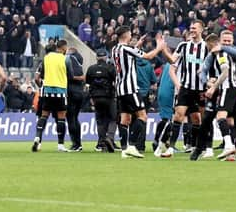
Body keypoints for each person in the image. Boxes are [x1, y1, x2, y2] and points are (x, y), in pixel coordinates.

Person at [112, 26, 165, 159]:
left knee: (125, 119)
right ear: (126, 35)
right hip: (130, 89)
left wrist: (137, 45)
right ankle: (132, 146)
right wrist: (159, 46)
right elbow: (148, 56)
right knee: (142, 116)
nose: (131, 36)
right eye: (130, 34)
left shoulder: (115, 49)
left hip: (120, 89)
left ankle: (124, 149)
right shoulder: (127, 49)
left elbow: (128, 53)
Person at [161, 21, 208, 158]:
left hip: (201, 89)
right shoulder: (183, 46)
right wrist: (178, 84)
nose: (192, 30)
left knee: (198, 119)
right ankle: (171, 148)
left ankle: (196, 146)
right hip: (186, 88)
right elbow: (172, 63)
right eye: (191, 27)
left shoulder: (206, 47)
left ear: (201, 30)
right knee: (178, 115)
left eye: (194, 28)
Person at [203, 33, 236, 161]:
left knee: (220, 117)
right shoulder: (223, 54)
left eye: (208, 46)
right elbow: (203, 70)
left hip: (228, 88)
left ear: (211, 45)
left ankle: (229, 146)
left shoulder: (221, 54)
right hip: (235, 89)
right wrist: (208, 81)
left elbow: (225, 72)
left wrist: (213, 87)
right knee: (231, 121)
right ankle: (231, 154)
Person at [32, 41, 73, 152]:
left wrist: (42, 85)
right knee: (61, 117)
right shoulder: (66, 59)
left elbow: (39, 77)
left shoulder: (47, 58)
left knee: (44, 115)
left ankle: (37, 137)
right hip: (60, 91)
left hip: (47, 91)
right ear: (64, 48)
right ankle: (60, 145)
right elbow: (71, 76)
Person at [85, 48, 117, 152]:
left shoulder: (91, 69)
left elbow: (88, 83)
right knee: (113, 118)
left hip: (96, 98)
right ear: (106, 57)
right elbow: (116, 81)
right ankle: (110, 138)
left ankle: (101, 143)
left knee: (100, 120)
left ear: (97, 57)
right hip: (109, 97)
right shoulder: (110, 68)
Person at [66, 46, 85, 152]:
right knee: (75, 118)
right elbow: (82, 76)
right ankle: (78, 143)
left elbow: (70, 76)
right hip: (79, 93)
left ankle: (76, 144)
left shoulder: (68, 60)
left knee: (71, 118)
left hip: (70, 92)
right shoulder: (79, 61)